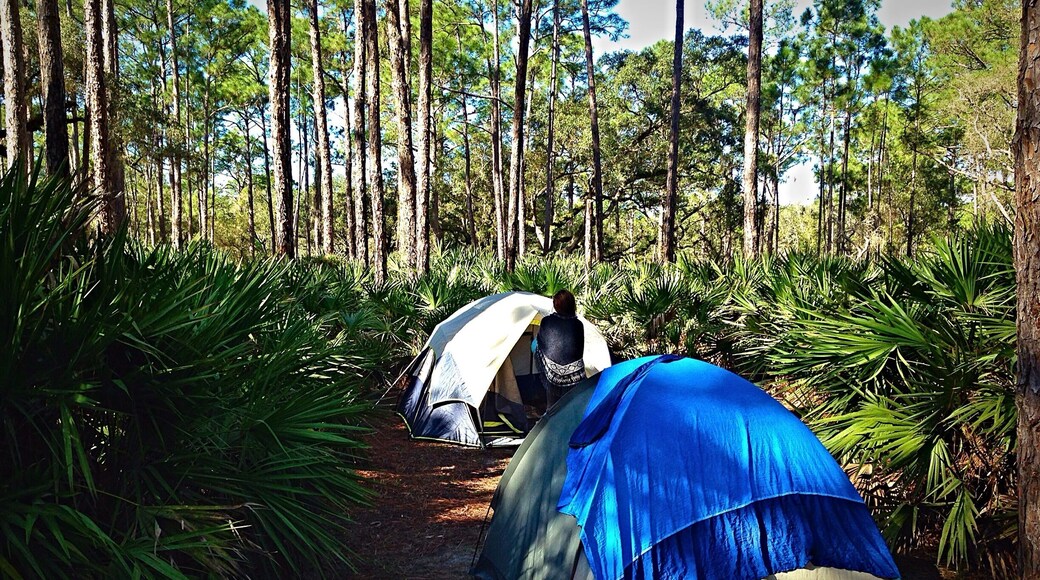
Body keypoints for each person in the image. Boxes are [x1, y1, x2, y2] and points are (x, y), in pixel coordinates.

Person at [534, 289, 586, 408]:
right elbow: (579, 351)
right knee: (573, 407)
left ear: (556, 305)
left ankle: (551, 420)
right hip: (575, 376)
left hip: (552, 375)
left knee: (553, 408)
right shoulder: (578, 324)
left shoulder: (547, 321)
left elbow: (540, 343)